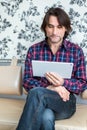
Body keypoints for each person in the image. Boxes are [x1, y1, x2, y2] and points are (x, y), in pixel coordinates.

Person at [16, 7, 86, 130]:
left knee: (37, 93)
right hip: (38, 102)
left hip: (65, 102)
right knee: (46, 117)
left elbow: (82, 84)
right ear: (45, 28)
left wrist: (63, 83)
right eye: (50, 26)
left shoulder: (76, 51)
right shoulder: (34, 50)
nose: (54, 32)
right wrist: (50, 87)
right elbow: (27, 81)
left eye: (59, 27)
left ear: (65, 29)